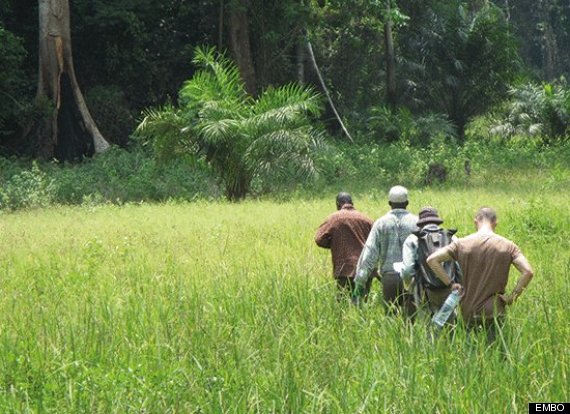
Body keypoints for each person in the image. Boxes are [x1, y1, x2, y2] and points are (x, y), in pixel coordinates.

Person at [427, 207, 534, 342]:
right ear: (495, 223)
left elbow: (432, 260)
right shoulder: (508, 246)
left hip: (468, 309)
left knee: (470, 352)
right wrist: (512, 297)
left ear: (475, 221)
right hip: (494, 309)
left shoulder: (461, 244)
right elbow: (528, 272)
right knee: (496, 353)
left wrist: (451, 283)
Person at [353, 185, 418, 314]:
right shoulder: (417, 222)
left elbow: (369, 254)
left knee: (391, 318)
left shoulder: (381, 223)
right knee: (411, 320)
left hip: (389, 278)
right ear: (407, 203)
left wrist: (359, 283)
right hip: (412, 278)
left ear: (389, 203)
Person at [400, 206, 461, 319]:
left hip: (423, 290)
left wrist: (409, 286)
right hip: (449, 289)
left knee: (427, 326)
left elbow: (407, 270)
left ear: (421, 222)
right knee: (449, 324)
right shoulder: (452, 238)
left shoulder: (413, 239)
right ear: (437, 221)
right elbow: (459, 267)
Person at [315, 192, 375, 298]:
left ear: (338, 204)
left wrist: (334, 243)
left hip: (345, 268)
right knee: (362, 302)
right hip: (365, 267)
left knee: (344, 302)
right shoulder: (366, 219)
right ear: (352, 203)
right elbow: (376, 242)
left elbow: (319, 239)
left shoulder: (334, 218)